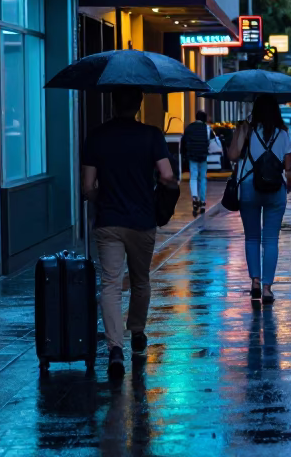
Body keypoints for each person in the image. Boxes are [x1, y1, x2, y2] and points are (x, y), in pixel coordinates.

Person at [81, 87, 177, 379]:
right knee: (140, 279)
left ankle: (114, 349)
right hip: (142, 220)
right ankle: (137, 331)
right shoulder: (151, 135)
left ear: (113, 103)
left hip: (109, 221)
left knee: (110, 284)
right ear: (138, 105)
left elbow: (87, 187)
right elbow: (167, 175)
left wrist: (106, 198)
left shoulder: (97, 136)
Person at [228, 95, 291, 304]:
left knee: (251, 238)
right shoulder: (283, 134)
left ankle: (255, 283)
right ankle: (267, 288)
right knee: (270, 240)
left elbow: (232, 156)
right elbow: (289, 169)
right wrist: (288, 188)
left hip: (249, 188)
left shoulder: (247, 130)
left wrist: (240, 130)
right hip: (276, 188)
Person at [182, 110, 211, 213]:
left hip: (192, 156)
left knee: (193, 177)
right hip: (203, 156)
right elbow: (208, 142)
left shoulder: (189, 128)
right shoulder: (207, 128)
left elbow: (184, 141)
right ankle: (202, 201)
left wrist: (185, 154)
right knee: (202, 178)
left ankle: (195, 197)